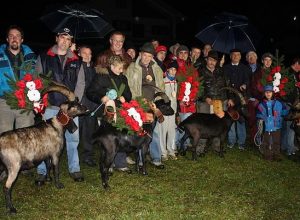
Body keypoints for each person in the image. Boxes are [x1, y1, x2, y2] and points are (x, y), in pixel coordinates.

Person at [35, 27, 84, 185]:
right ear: (57, 38)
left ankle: (74, 168)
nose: (65, 41)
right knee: (45, 141)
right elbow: (37, 81)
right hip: (51, 108)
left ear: (71, 42)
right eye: (62, 37)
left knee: (72, 140)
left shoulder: (77, 61)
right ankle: (42, 171)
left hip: (70, 110)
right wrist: (41, 101)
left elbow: (80, 83)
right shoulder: (44, 57)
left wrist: (74, 104)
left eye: (68, 39)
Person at [87, 55, 132, 173]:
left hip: (121, 112)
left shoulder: (123, 78)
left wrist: (125, 98)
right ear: (112, 66)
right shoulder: (101, 77)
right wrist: (101, 98)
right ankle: (108, 163)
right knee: (108, 139)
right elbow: (90, 92)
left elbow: (129, 94)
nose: (121, 71)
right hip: (106, 113)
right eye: (119, 68)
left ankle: (121, 163)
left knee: (121, 137)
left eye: (122, 68)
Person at [125, 42, 165, 168]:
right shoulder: (132, 67)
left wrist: (158, 101)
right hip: (139, 105)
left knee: (154, 132)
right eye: (145, 55)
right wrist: (137, 102)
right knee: (140, 133)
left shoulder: (157, 68)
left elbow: (160, 87)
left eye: (150, 56)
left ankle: (156, 158)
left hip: (153, 105)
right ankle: (141, 160)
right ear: (140, 54)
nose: (147, 58)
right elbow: (129, 87)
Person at [0, 25, 36, 135]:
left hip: (25, 101)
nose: (14, 38)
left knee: (26, 137)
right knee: (5, 139)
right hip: (4, 101)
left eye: (17, 36)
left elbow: (37, 77)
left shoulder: (31, 57)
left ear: (22, 40)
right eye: (11, 36)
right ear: (7, 39)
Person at [197, 50, 227, 154]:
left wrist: (226, 99)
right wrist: (205, 98)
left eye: (214, 60)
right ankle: (200, 148)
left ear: (216, 62)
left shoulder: (221, 71)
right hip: (205, 102)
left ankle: (217, 147)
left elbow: (225, 86)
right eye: (210, 60)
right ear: (206, 60)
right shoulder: (200, 72)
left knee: (218, 125)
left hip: (219, 102)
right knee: (204, 125)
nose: (211, 62)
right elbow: (197, 88)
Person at [223, 48, 251, 150]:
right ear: (230, 56)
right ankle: (231, 141)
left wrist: (245, 85)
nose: (235, 56)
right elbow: (225, 83)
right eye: (233, 55)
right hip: (229, 98)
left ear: (240, 56)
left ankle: (241, 142)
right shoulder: (226, 68)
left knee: (241, 120)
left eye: (238, 55)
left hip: (241, 99)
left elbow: (248, 80)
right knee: (230, 119)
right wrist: (229, 98)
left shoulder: (245, 68)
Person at [76, 45, 99, 167]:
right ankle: (73, 155)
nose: (87, 56)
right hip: (78, 105)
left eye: (89, 54)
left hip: (90, 105)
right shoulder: (74, 67)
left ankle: (88, 156)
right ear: (78, 54)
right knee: (75, 132)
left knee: (89, 132)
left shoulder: (94, 70)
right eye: (84, 53)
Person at [256, 85, 288, 161]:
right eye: (266, 92)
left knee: (276, 141)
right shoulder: (261, 105)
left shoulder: (279, 103)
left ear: (273, 93)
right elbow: (258, 114)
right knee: (266, 142)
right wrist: (261, 119)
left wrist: (282, 115)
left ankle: (276, 155)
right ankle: (268, 156)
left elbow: (284, 111)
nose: (268, 94)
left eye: (270, 92)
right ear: (264, 94)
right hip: (266, 127)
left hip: (276, 126)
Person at [281, 57, 300, 157]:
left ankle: (284, 146)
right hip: (289, 104)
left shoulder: (295, 74)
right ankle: (290, 149)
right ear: (296, 63)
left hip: (288, 103)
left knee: (286, 127)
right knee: (291, 127)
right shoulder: (289, 74)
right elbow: (285, 90)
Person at [160, 61, 178, 161]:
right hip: (165, 110)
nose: (173, 71)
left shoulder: (176, 82)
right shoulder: (163, 81)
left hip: (173, 110)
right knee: (163, 131)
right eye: (171, 69)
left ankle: (171, 150)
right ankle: (163, 152)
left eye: (175, 69)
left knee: (172, 131)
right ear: (167, 70)